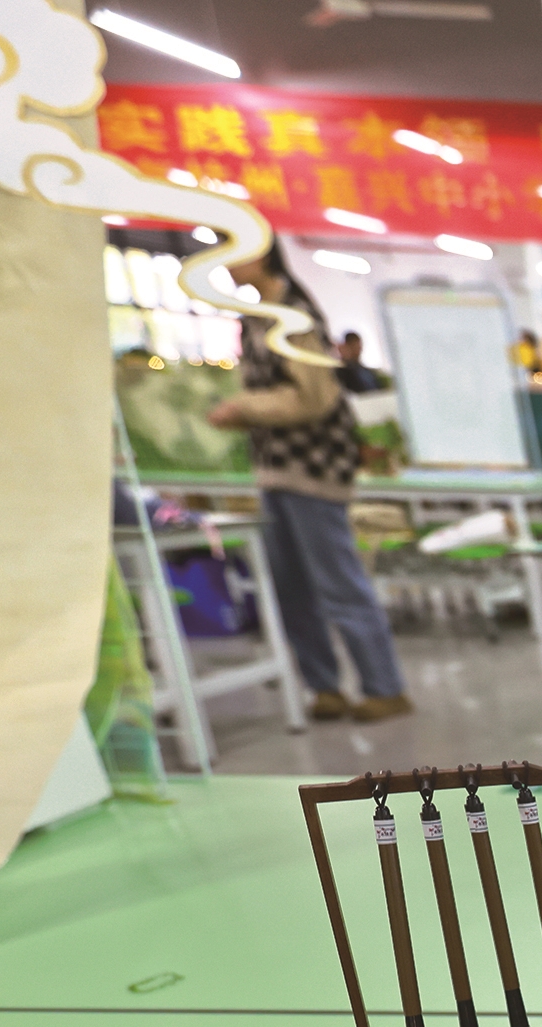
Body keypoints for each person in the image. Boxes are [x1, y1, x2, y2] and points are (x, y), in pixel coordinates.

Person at [206, 245, 411, 722]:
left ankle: (384, 687)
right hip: (276, 468)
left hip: (313, 468)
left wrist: (245, 409)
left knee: (338, 582)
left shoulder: (293, 315)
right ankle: (324, 687)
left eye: (231, 253)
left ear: (259, 253)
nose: (224, 266)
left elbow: (312, 399)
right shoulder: (255, 318)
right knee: (290, 588)